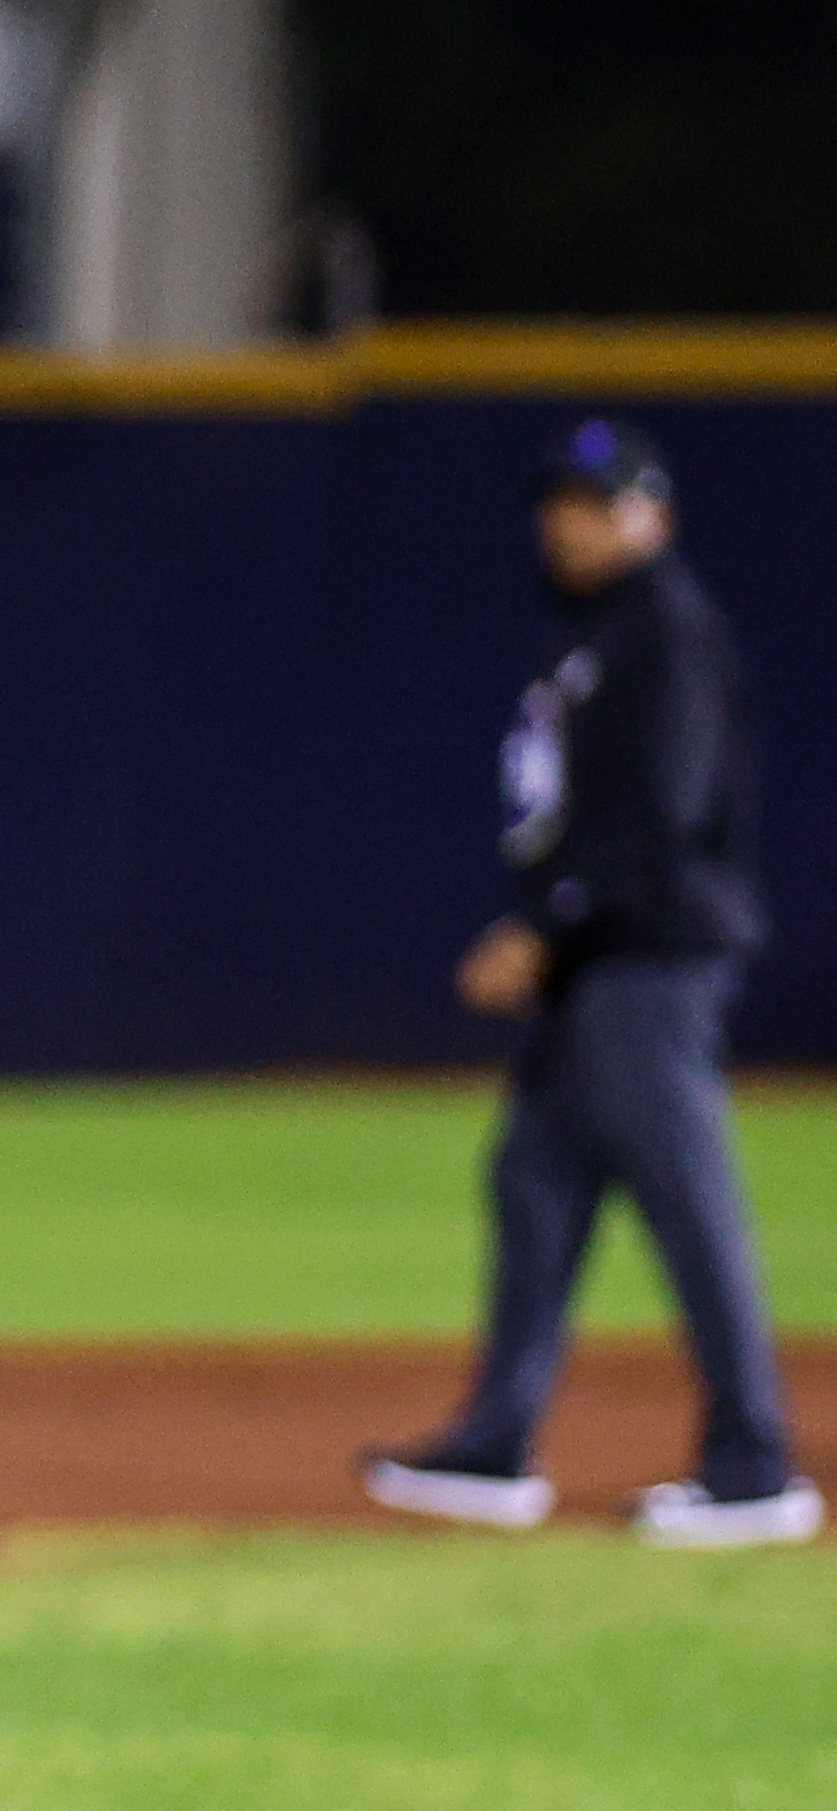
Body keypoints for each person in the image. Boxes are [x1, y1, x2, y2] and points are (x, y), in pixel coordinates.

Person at [363, 418, 816, 1549]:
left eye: (596, 500)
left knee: (683, 1196)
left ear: (648, 514)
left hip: (646, 953)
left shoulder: (663, 630)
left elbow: (654, 818)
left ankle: (752, 1464)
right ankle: (493, 1443)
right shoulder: (598, 632)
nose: (568, 520)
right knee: (531, 1177)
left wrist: (545, 926)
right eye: (559, 500)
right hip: (597, 961)